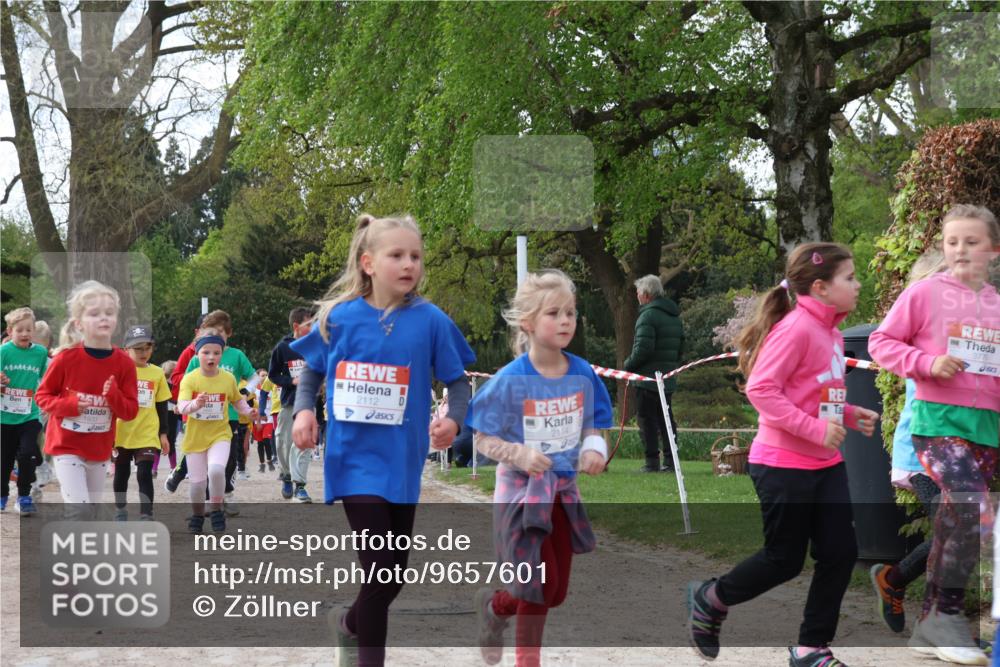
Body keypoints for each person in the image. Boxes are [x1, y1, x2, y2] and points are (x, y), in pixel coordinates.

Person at [290, 212, 475, 667]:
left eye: (415, 256)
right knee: (379, 567)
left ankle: (349, 623)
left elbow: (458, 382)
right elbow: (311, 370)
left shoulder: (430, 320)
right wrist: (304, 410)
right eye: (397, 255)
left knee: (392, 576)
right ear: (369, 262)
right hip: (353, 461)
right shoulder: (340, 317)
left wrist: (454, 420)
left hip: (403, 461)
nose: (409, 264)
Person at [685, 243, 880, 667]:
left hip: (825, 465)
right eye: (850, 277)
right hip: (781, 464)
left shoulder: (829, 332)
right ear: (821, 287)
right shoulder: (795, 329)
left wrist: (846, 413)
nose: (857, 283)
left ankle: (812, 648)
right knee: (784, 560)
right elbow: (762, 390)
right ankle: (711, 597)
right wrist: (814, 429)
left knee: (841, 552)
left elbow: (812, 392)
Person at [869, 204, 1000, 666]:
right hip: (937, 422)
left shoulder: (998, 306)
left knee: (959, 519)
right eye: (952, 242)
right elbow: (881, 342)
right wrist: (927, 364)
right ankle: (943, 617)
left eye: (972, 241)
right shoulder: (925, 294)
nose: (961, 250)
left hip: (987, 429)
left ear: (993, 249)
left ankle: (930, 624)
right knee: (972, 508)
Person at [468, 269, 611, 667]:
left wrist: (594, 449)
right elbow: (481, 437)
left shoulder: (582, 373)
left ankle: (495, 607)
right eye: (554, 313)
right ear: (528, 323)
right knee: (536, 586)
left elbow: (593, 423)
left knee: (556, 591)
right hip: (520, 498)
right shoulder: (510, 380)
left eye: (571, 312)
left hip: (562, 494)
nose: (566, 321)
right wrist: (520, 455)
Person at [35, 281, 139, 515]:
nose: (104, 318)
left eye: (109, 313)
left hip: (99, 449)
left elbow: (130, 411)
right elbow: (42, 396)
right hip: (66, 446)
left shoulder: (124, 363)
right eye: (95, 314)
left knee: (90, 511)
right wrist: (69, 405)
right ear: (79, 323)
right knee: (80, 510)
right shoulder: (66, 359)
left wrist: (113, 396)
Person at [182, 311, 259, 516]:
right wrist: (188, 404)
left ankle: (227, 495)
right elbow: (186, 382)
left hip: (230, 416)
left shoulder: (237, 355)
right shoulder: (199, 356)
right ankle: (208, 499)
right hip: (200, 420)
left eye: (220, 333)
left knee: (228, 460)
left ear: (229, 334)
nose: (214, 336)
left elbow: (254, 378)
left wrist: (244, 393)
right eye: (210, 332)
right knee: (202, 462)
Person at [623, 274, 684, 473]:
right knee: (666, 419)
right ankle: (671, 460)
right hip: (667, 377)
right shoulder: (674, 316)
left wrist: (628, 365)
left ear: (647, 295)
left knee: (647, 420)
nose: (637, 297)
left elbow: (643, 349)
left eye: (639, 293)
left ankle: (652, 462)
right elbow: (680, 347)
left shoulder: (647, 316)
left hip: (648, 379)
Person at [113, 325, 170, 521]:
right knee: (121, 473)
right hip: (121, 432)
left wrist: (163, 434)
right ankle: (120, 510)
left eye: (147, 348)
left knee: (144, 473)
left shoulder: (157, 373)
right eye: (137, 349)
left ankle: (146, 514)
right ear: (125, 350)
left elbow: (162, 405)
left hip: (147, 432)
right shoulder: (118, 372)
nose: (143, 353)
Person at [0, 307, 49, 513]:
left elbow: (47, 379)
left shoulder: (40, 353)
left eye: (29, 330)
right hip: (4, 415)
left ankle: (24, 496)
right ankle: (2, 494)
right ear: (10, 331)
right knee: (5, 458)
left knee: (28, 453)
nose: (25, 334)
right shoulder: (3, 352)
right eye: (20, 330)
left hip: (29, 414)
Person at [268, 307, 315, 502]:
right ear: (296, 326)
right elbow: (273, 374)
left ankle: (300, 485)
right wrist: (291, 381)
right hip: (288, 401)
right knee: (283, 441)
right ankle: (286, 474)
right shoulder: (283, 348)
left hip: (309, 402)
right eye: (309, 324)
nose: (313, 327)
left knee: (305, 443)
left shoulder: (316, 346)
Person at [153, 359, 179, 477]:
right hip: (172, 414)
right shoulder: (177, 384)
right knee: (171, 441)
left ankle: (154, 469)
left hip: (161, 414)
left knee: (158, 441)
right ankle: (173, 468)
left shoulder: (160, 382)